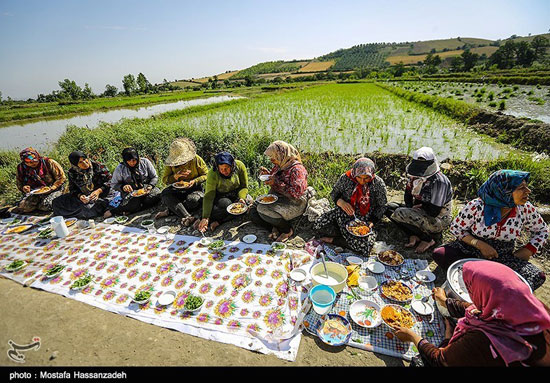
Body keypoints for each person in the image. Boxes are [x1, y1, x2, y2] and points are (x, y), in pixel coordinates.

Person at [394, 261, 550, 367]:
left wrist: (412, 336)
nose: (470, 293)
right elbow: (477, 310)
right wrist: (445, 301)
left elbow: (440, 361)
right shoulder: (533, 310)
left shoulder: (484, 341)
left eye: (471, 288)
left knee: (420, 361)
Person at [432, 169, 548, 291]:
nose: (528, 191)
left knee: (536, 276)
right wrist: (479, 244)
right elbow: (456, 228)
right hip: (471, 250)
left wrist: (528, 250)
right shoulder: (477, 206)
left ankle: (488, 280)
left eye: (526, 187)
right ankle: (487, 279)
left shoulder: (525, 209)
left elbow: (542, 230)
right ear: (504, 191)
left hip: (502, 257)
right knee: (440, 254)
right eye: (521, 188)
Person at [313, 158, 387, 257]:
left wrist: (371, 221)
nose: (362, 181)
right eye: (359, 178)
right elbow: (334, 194)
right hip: (344, 211)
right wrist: (341, 202)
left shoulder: (378, 183)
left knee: (363, 245)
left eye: (366, 178)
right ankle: (345, 236)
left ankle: (335, 240)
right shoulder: (346, 178)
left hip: (365, 217)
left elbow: (382, 205)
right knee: (319, 224)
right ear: (354, 173)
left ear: (372, 175)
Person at [386, 147, 453, 253]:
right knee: (389, 208)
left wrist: (417, 208)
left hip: (437, 219)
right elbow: (408, 195)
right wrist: (410, 206)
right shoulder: (414, 177)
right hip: (418, 210)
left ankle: (428, 239)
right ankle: (413, 234)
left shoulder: (439, 182)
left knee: (400, 212)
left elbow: (434, 211)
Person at [249, 140, 312, 242]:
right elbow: (276, 178)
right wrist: (268, 174)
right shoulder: (280, 165)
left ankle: (287, 230)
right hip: (278, 197)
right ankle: (274, 228)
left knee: (262, 209)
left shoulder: (297, 169)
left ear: (282, 154)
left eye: (273, 157)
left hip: (294, 203)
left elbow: (296, 194)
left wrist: (276, 183)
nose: (271, 159)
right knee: (253, 211)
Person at [155, 138, 208, 226]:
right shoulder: (171, 164)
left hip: (194, 189)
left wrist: (194, 181)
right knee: (165, 193)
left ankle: (170, 211)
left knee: (193, 200)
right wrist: (175, 177)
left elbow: (206, 175)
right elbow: (165, 180)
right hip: (178, 189)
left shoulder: (196, 159)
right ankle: (187, 216)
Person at [197, 152, 251, 233]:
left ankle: (219, 222)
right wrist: (205, 217)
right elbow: (209, 196)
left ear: (232, 165)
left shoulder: (240, 166)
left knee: (247, 205)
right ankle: (204, 219)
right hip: (220, 196)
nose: (224, 171)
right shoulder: (213, 173)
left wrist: (241, 198)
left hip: (236, 193)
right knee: (226, 204)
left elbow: (244, 187)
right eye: (221, 169)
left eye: (226, 168)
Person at [52, 151, 114, 219]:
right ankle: (81, 212)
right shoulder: (72, 172)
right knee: (56, 202)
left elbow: (110, 181)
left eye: (84, 159)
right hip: (85, 197)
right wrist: (80, 196)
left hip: (102, 194)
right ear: (75, 164)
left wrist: (98, 191)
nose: (84, 163)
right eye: (80, 162)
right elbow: (72, 188)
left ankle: (80, 212)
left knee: (89, 208)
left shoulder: (99, 166)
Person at [109, 147, 161, 215]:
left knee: (157, 194)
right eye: (129, 161)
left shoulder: (145, 162)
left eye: (134, 160)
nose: (132, 163)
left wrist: (150, 186)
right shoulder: (120, 168)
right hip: (130, 193)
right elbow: (113, 184)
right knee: (133, 204)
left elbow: (154, 177)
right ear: (125, 160)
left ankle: (136, 208)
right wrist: (123, 187)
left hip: (146, 189)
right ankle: (134, 207)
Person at [14, 147, 66, 214]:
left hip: (53, 188)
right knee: (24, 207)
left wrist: (52, 188)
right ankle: (38, 204)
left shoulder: (48, 162)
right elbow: (20, 183)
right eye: (28, 162)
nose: (32, 163)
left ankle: (42, 204)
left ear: (37, 156)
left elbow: (61, 178)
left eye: (34, 160)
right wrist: (24, 188)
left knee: (46, 206)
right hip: (35, 191)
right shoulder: (21, 168)